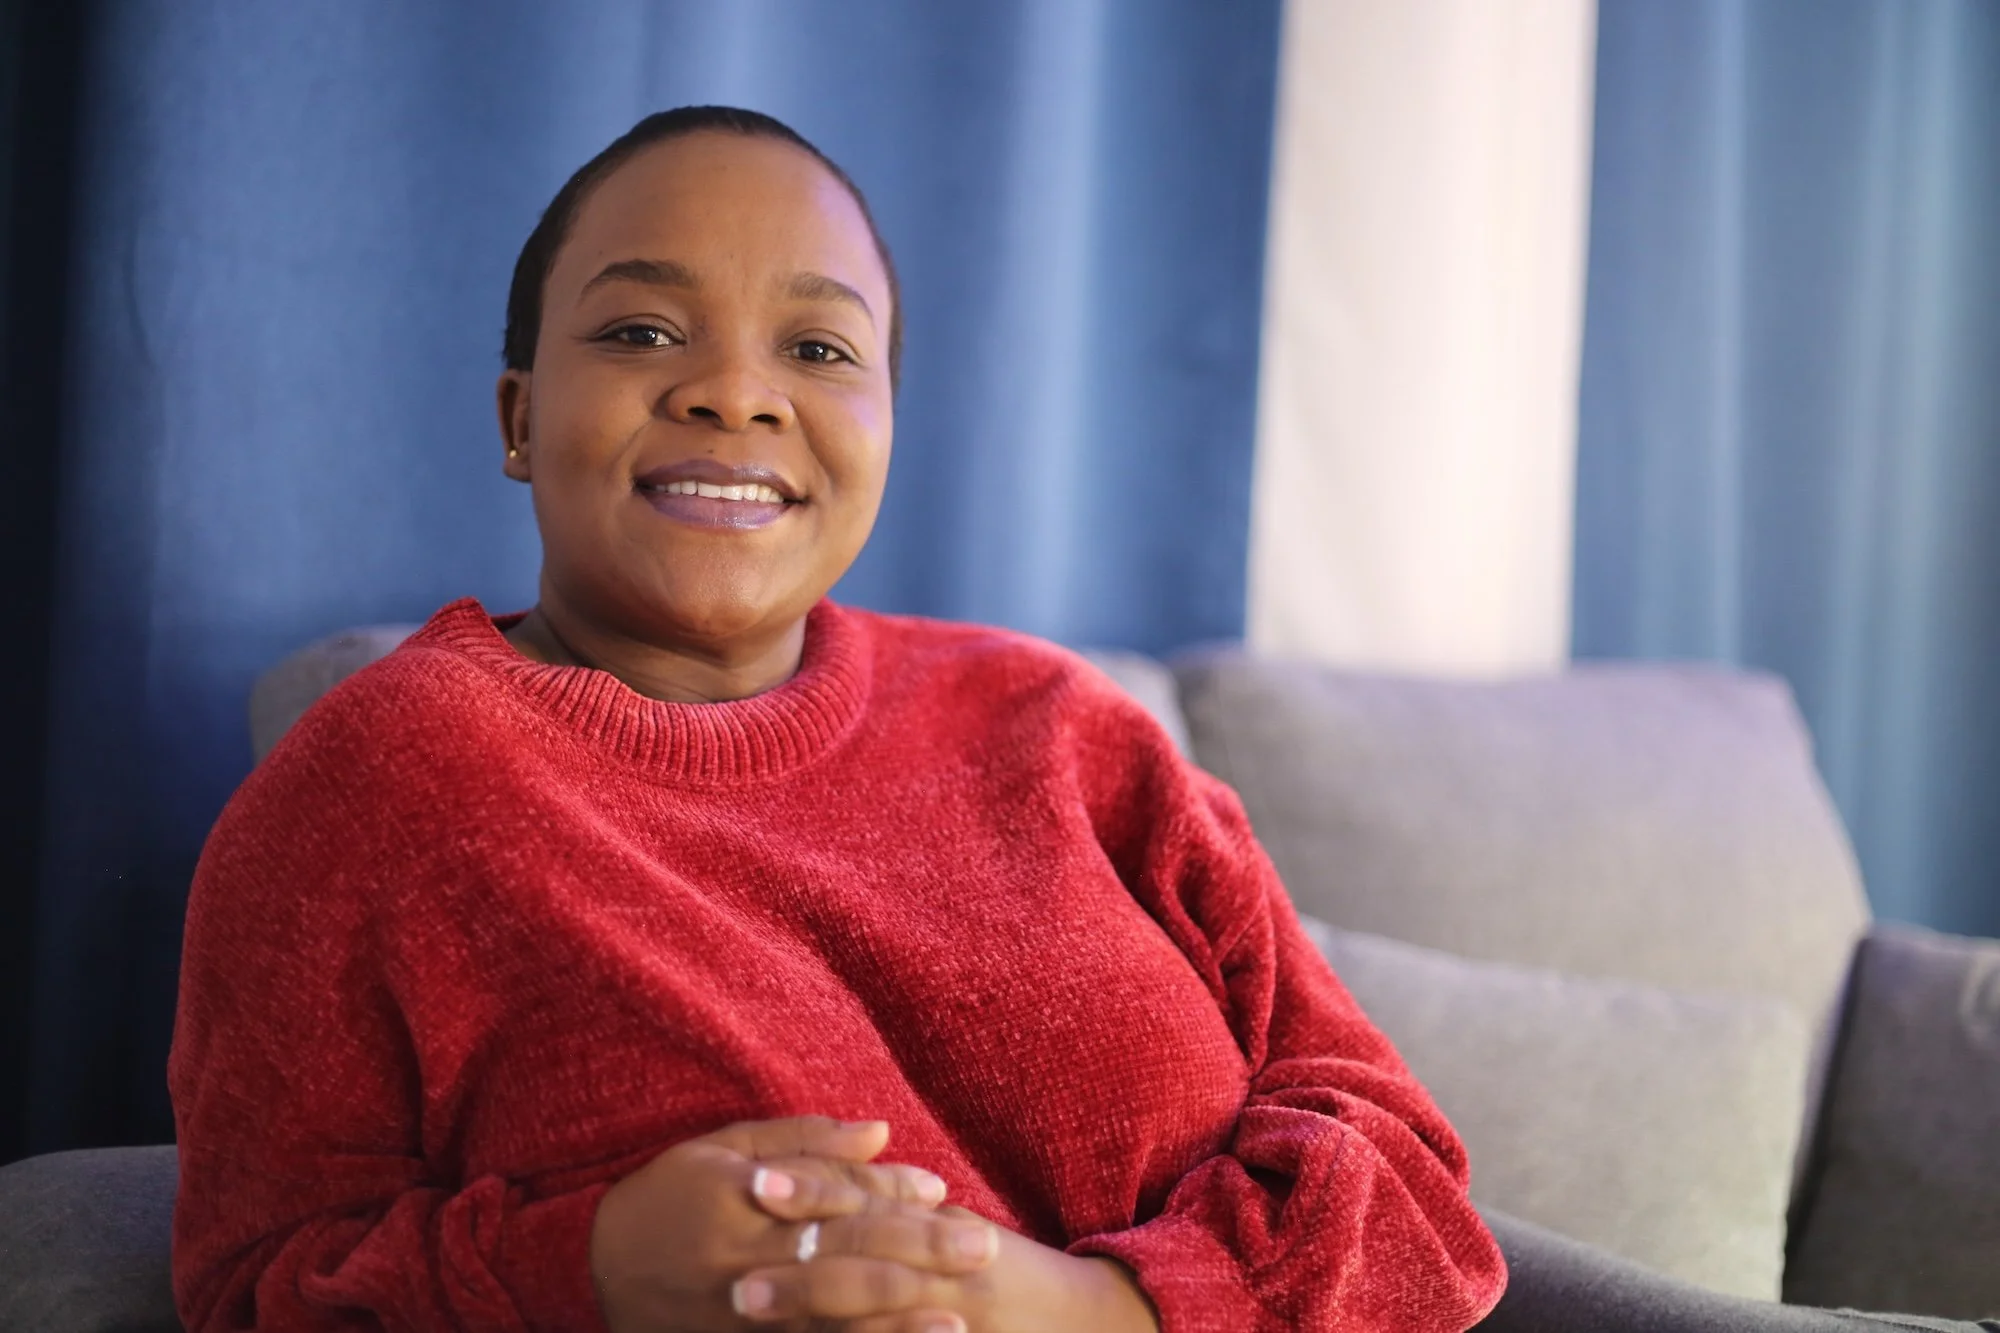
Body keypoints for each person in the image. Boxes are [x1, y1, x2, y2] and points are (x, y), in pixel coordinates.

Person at [167, 106, 1508, 1332]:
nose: (736, 395)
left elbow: (1413, 1185)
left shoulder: (1062, 729)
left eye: (816, 349)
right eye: (641, 333)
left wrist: (1097, 1310)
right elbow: (251, 1290)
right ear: (521, 416)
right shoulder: (369, 792)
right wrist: (586, 1271)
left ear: (882, 429)